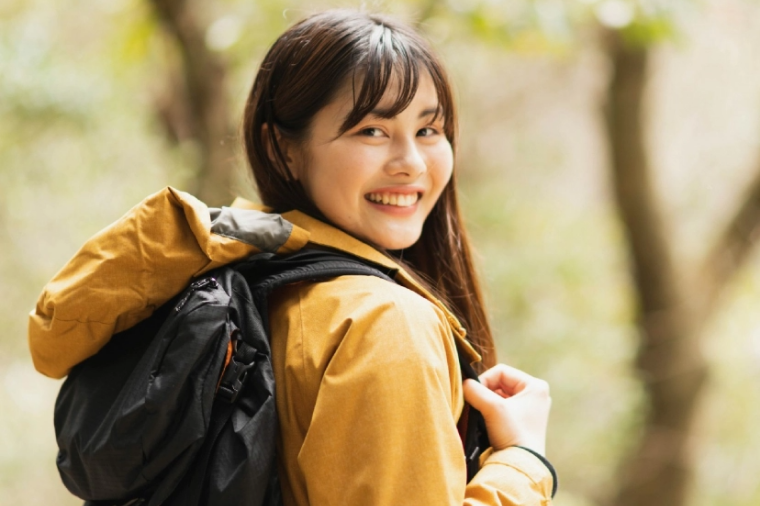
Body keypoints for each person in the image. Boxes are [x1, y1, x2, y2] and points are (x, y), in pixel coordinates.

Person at [29, 9, 555, 506]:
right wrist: (523, 463)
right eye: (371, 130)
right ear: (282, 148)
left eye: (428, 130)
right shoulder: (384, 322)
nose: (411, 162)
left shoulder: (238, 277)